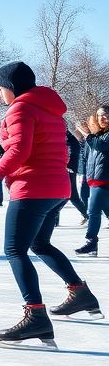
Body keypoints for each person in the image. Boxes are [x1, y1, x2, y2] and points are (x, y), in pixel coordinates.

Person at [0, 63, 101, 346]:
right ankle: (80, 293)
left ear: (10, 87)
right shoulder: (49, 109)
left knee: (14, 249)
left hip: (32, 187)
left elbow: (19, 149)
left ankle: (35, 316)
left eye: (0, 88)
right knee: (40, 244)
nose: (0, 93)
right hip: (57, 187)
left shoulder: (20, 108)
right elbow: (58, 149)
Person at [75, 104, 109, 257]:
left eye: (106, 114)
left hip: (104, 179)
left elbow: (101, 146)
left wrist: (86, 134)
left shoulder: (101, 137)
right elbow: (88, 156)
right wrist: (84, 175)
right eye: (100, 115)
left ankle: (91, 242)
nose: (103, 117)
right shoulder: (97, 134)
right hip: (94, 179)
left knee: (93, 211)